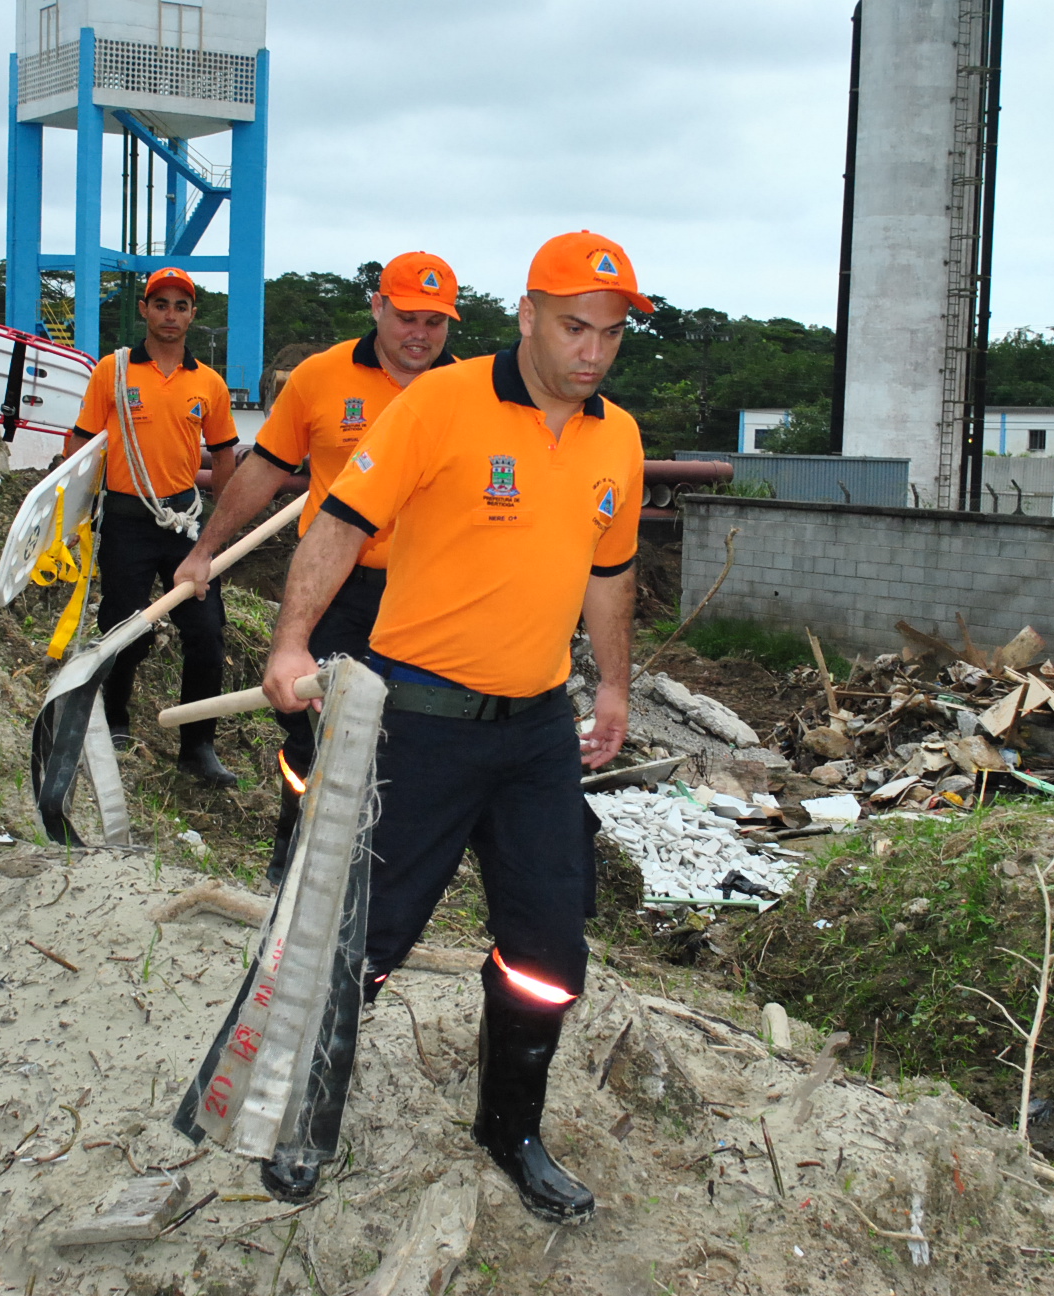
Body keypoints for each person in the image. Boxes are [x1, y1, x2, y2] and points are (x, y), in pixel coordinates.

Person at [261, 232, 650, 1220]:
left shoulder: (618, 439)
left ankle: (509, 1129)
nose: (590, 351)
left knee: (549, 953)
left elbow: (609, 574)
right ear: (526, 315)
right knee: (368, 936)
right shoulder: (441, 402)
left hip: (533, 738)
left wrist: (611, 689)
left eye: (608, 334)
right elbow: (341, 521)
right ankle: (305, 1115)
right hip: (418, 726)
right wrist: (291, 642)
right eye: (573, 326)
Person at [173, 252, 461, 882]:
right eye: (408, 316)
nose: (421, 335)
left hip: (429, 593)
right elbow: (264, 471)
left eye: (435, 323)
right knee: (309, 726)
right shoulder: (321, 377)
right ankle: (295, 853)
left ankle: (378, 868)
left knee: (413, 731)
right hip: (337, 587)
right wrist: (204, 551)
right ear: (378, 307)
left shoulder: (469, 391)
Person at [68, 266, 241, 786]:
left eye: (181, 306)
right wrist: (68, 514)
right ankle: (116, 718)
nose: (170, 315)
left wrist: (219, 523)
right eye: (160, 304)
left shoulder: (208, 384)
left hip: (185, 523)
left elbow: (225, 455)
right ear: (144, 309)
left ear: (193, 314)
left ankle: (198, 745)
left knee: (207, 634)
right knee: (123, 628)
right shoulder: (113, 372)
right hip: (125, 521)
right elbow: (79, 443)